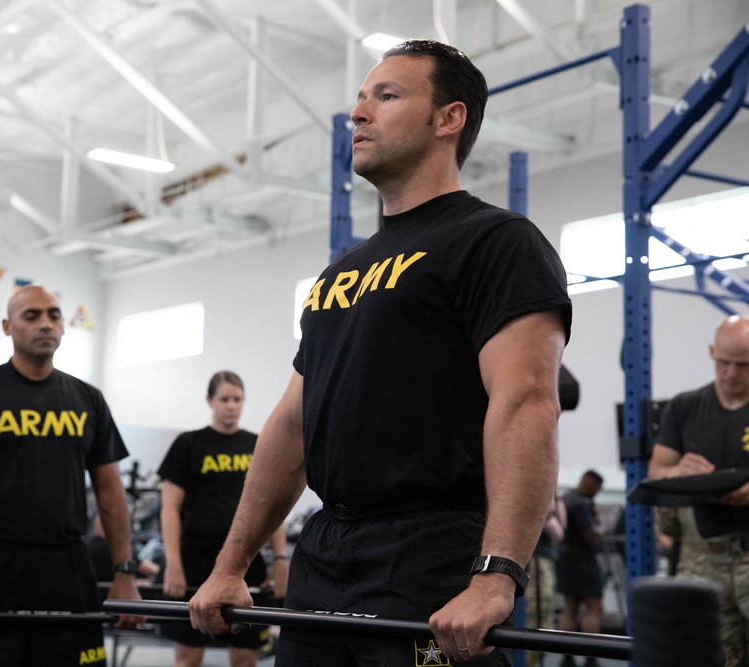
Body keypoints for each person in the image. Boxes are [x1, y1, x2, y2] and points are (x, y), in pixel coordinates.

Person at [188, 39, 572, 666]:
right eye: (360, 99)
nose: (358, 113)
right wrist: (231, 565)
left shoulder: (495, 241)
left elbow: (526, 400)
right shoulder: (341, 273)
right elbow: (290, 425)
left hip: (429, 550)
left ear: (448, 119)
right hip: (326, 550)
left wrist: (496, 575)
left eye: (386, 96)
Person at [0, 285, 142, 667]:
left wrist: (124, 571)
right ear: (7, 326)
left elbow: (109, 490)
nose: (46, 324)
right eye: (32, 316)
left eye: (54, 315)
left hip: (67, 567)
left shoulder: (88, 399)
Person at [158, 370, 289, 667]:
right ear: (209, 400)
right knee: (188, 658)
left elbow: (272, 505)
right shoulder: (188, 444)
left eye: (238, 399)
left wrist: (280, 559)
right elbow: (169, 509)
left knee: (244, 659)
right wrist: (173, 564)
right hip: (195, 562)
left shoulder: (258, 444)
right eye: (224, 399)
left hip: (247, 563)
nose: (232, 405)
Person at [649, 314, 749, 667]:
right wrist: (679, 472)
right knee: (708, 656)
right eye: (724, 363)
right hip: (703, 558)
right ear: (711, 352)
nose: (731, 374)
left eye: (743, 365)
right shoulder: (686, 407)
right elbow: (657, 473)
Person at [555, 470, 604, 667]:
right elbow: (591, 534)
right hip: (583, 558)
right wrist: (600, 521)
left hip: (565, 558)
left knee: (570, 608)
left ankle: (567, 658)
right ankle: (591, 658)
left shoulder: (566, 499)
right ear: (592, 485)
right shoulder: (582, 503)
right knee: (594, 607)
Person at [525, 494, 566, 667]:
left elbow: (561, 528)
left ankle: (536, 659)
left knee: (544, 610)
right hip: (535, 561)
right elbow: (557, 530)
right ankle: (529, 660)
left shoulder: (552, 501)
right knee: (535, 610)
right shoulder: (535, 502)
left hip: (544, 560)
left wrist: (558, 497)